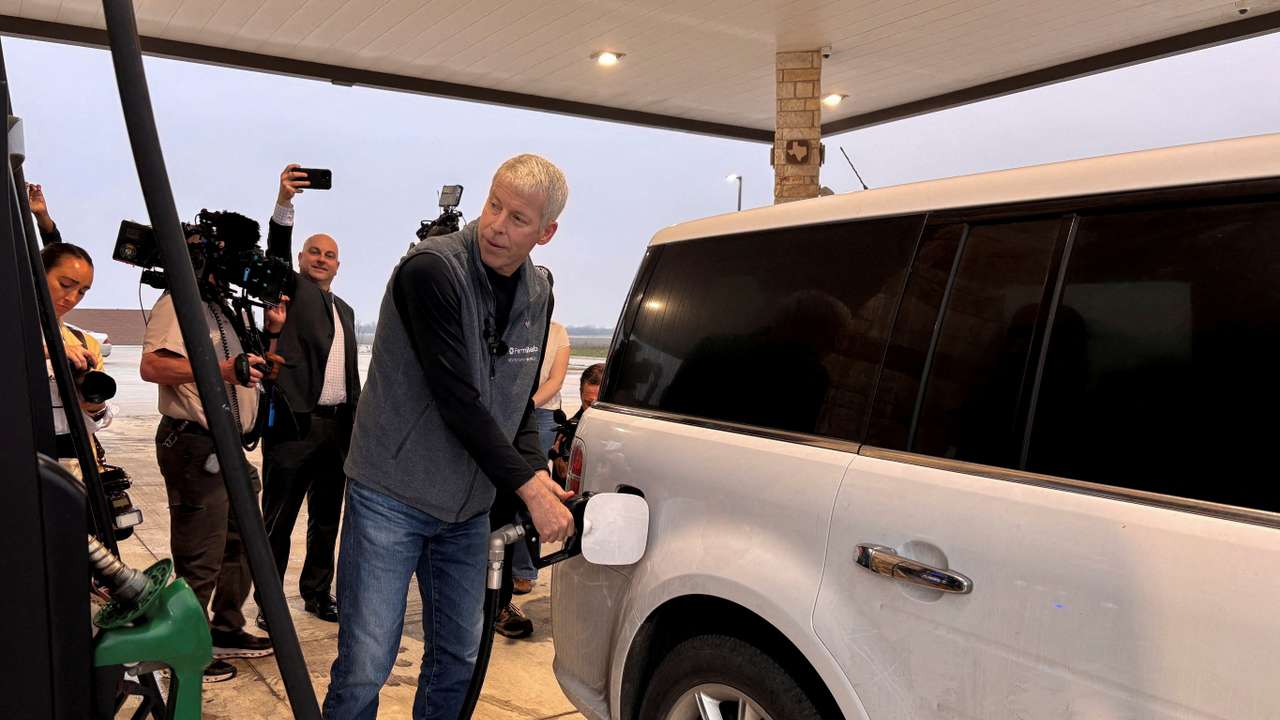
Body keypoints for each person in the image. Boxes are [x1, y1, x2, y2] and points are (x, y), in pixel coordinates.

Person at [323, 154, 573, 720]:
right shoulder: (431, 271)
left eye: (517, 218)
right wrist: (529, 491)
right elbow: (458, 399)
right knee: (367, 660)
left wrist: (535, 473)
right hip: (392, 496)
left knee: (458, 656)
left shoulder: (538, 294)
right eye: (494, 205)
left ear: (546, 232)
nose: (495, 225)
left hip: (466, 511)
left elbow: (513, 405)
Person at [139, 221, 284, 684]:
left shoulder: (222, 309)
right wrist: (220, 369)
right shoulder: (176, 302)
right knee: (200, 553)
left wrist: (269, 345)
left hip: (227, 447)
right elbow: (152, 365)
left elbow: (241, 367)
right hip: (194, 443)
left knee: (241, 543)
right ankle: (184, 647)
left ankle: (225, 627)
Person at [254, 164, 360, 628]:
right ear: (300, 259)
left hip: (338, 428)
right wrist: (284, 203)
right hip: (296, 426)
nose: (321, 259)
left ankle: (317, 593)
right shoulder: (290, 292)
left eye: (330, 255)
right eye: (314, 252)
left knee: (325, 521)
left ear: (339, 264)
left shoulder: (346, 311)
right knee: (278, 521)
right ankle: (268, 605)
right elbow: (274, 256)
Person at [505, 318, 570, 600]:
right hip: (508, 408)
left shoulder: (557, 331)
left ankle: (524, 569)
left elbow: (556, 379)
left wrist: (525, 405)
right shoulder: (513, 326)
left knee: (535, 494)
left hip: (539, 413)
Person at [41, 242, 109, 455]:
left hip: (71, 464)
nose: (72, 298)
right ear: (35, 274)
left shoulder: (84, 343)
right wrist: (49, 351)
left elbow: (93, 423)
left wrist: (94, 404)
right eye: (65, 284)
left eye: (82, 291)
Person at [550, 362, 603, 485]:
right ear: (580, 393)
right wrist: (556, 456)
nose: (592, 411)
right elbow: (563, 478)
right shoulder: (568, 431)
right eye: (588, 403)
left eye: (598, 404)